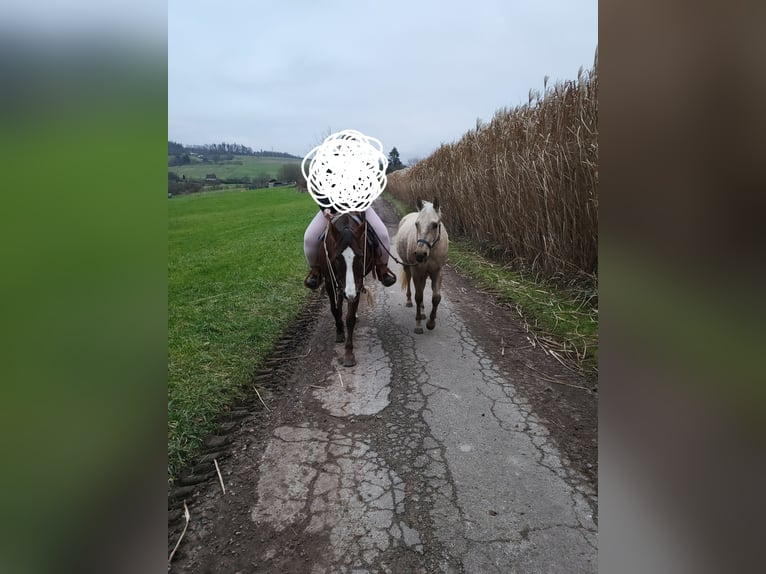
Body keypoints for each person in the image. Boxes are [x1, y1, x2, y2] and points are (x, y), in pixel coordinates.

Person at [303, 202, 397, 290]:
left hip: (359, 207)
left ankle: (383, 269)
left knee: (383, 235)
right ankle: (315, 271)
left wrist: (361, 204)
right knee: (309, 239)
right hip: (332, 208)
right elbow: (320, 191)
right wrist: (325, 208)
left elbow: (369, 187)